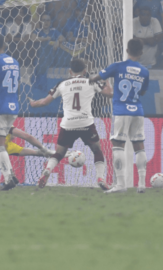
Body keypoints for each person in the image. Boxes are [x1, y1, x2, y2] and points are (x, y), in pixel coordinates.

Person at [0, 35, 48, 190]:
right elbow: (17, 85)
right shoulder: (15, 62)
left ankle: (8, 178)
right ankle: (11, 175)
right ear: (4, 46)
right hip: (13, 106)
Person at [30, 58, 113, 190]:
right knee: (97, 150)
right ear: (85, 71)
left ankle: (47, 171)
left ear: (70, 71)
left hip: (68, 124)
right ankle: (100, 178)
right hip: (86, 123)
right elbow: (110, 94)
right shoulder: (91, 82)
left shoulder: (62, 84)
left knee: (59, 153)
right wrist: (107, 81)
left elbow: (45, 102)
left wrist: (33, 103)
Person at [89, 38, 150, 193]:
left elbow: (96, 78)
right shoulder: (144, 71)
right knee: (139, 146)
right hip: (137, 111)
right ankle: (142, 184)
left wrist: (90, 80)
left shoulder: (118, 66)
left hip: (121, 111)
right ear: (141, 53)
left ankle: (121, 184)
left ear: (127, 50)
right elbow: (142, 92)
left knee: (118, 145)